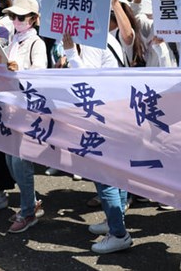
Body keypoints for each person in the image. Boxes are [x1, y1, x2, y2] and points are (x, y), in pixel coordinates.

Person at [61, 32, 133, 255]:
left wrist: (71, 52)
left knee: (105, 178)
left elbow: (87, 83)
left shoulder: (92, 42)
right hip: (114, 113)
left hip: (101, 116)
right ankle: (115, 222)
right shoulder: (103, 37)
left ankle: (119, 233)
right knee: (114, 175)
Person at [3, 0, 48, 234]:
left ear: (33, 18)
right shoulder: (14, 39)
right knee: (12, 161)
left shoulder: (35, 43)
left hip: (28, 110)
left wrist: (18, 71)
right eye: (13, 16)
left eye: (20, 17)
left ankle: (28, 210)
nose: (16, 20)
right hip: (12, 107)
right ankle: (31, 201)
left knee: (21, 162)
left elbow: (40, 75)